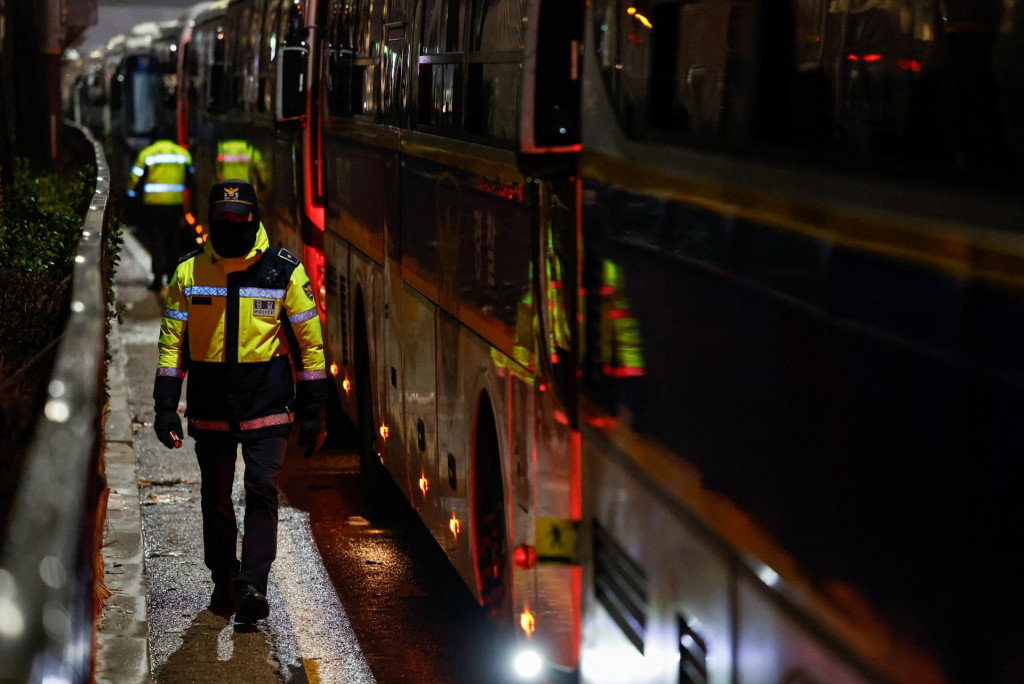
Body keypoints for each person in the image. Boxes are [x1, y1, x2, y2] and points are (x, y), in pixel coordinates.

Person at [152, 180, 328, 623]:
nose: (230, 229)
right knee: (215, 496)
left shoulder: (285, 272)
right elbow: (171, 346)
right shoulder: (189, 273)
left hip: (266, 406)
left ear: (253, 220)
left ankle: (253, 584)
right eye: (222, 223)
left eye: (238, 222)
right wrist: (165, 405)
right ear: (212, 223)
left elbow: (312, 348)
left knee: (261, 490)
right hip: (211, 410)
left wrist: (312, 412)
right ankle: (224, 578)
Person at [127, 135, 193, 289]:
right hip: (174, 204)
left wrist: (131, 195)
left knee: (156, 240)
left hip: (153, 205)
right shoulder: (182, 153)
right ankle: (172, 276)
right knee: (172, 240)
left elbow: (136, 177)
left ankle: (157, 279)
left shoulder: (148, 153)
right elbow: (189, 179)